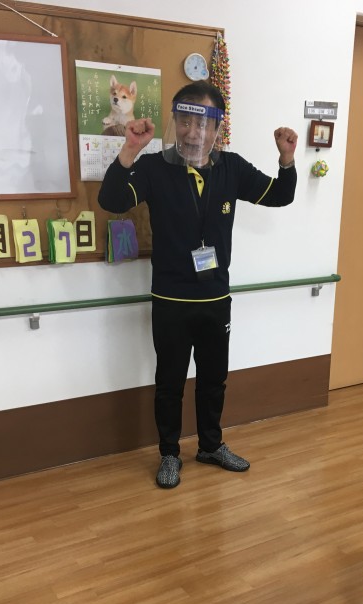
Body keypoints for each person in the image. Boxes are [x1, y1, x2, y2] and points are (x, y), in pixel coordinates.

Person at [98, 81, 297, 489]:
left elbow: (280, 195)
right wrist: (130, 150)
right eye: (185, 121)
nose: (193, 133)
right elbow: (111, 200)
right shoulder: (155, 168)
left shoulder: (232, 168)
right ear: (176, 121)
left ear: (217, 128)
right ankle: (170, 454)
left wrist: (287, 159)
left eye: (203, 124)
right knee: (170, 383)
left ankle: (210, 445)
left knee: (213, 379)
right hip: (170, 300)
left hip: (215, 299)